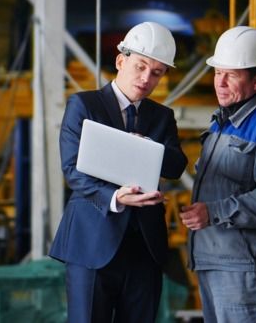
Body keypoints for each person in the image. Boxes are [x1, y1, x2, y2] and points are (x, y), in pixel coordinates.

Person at [49, 21, 188, 323]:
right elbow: (72, 169)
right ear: (120, 61)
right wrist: (114, 197)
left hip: (144, 248)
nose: (146, 78)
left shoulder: (162, 117)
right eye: (140, 67)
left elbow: (177, 165)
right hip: (92, 241)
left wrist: (147, 146)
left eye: (157, 72)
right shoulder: (84, 105)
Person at [180, 26, 256, 323]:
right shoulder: (219, 125)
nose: (220, 83)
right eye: (217, 73)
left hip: (245, 268)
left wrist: (213, 212)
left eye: (231, 75)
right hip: (213, 260)